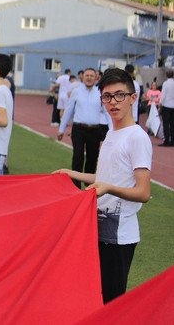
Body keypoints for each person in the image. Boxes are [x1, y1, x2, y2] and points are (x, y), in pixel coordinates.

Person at [53, 68, 151, 304]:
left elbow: (143, 192)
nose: (113, 102)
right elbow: (105, 175)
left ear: (133, 97)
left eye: (119, 95)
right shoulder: (111, 134)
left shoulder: (137, 137)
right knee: (92, 297)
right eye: (107, 97)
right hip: (97, 229)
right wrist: (72, 173)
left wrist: (108, 189)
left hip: (119, 237)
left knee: (111, 301)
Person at [57, 68, 107, 188]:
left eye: (91, 76)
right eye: (87, 75)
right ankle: (75, 185)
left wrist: (112, 130)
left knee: (92, 158)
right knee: (78, 155)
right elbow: (69, 110)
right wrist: (61, 129)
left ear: (96, 78)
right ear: (82, 77)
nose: (89, 78)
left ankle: (89, 185)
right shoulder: (76, 91)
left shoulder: (100, 93)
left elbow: (107, 112)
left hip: (95, 130)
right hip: (79, 129)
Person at [158, 70, 174, 146]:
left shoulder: (166, 83)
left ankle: (167, 140)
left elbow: (163, 94)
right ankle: (173, 140)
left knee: (166, 123)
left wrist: (160, 103)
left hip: (166, 105)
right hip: (173, 105)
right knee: (172, 123)